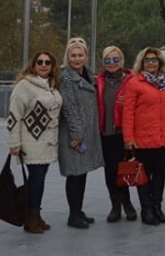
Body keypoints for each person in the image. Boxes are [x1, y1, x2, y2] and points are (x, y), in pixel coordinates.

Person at [7, 50, 63, 233]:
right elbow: (14, 115)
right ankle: (30, 218)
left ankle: (36, 215)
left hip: (48, 143)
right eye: (40, 62)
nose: (44, 65)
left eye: (48, 62)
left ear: (53, 66)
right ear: (33, 64)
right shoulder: (24, 86)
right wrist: (14, 142)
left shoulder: (52, 86)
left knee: (39, 180)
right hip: (31, 142)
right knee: (36, 180)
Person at [122, 47, 165, 225]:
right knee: (144, 176)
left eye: (154, 60)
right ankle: (146, 209)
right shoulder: (134, 83)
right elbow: (128, 112)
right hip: (142, 139)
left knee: (159, 175)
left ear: (160, 62)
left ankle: (157, 207)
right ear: (141, 63)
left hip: (162, 138)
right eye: (147, 60)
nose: (151, 63)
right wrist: (128, 138)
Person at [57, 37, 104, 229]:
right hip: (73, 135)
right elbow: (69, 108)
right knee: (74, 174)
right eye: (73, 55)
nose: (77, 59)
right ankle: (73, 215)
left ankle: (78, 210)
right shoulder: (66, 78)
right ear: (67, 57)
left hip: (87, 133)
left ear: (86, 57)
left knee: (81, 174)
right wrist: (76, 136)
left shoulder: (89, 76)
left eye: (80, 55)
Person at [95, 45, 137, 222]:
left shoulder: (131, 80)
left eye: (115, 59)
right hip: (106, 133)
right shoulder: (98, 81)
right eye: (107, 60)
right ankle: (115, 205)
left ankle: (127, 203)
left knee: (124, 170)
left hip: (124, 133)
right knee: (110, 171)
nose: (111, 63)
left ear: (121, 60)